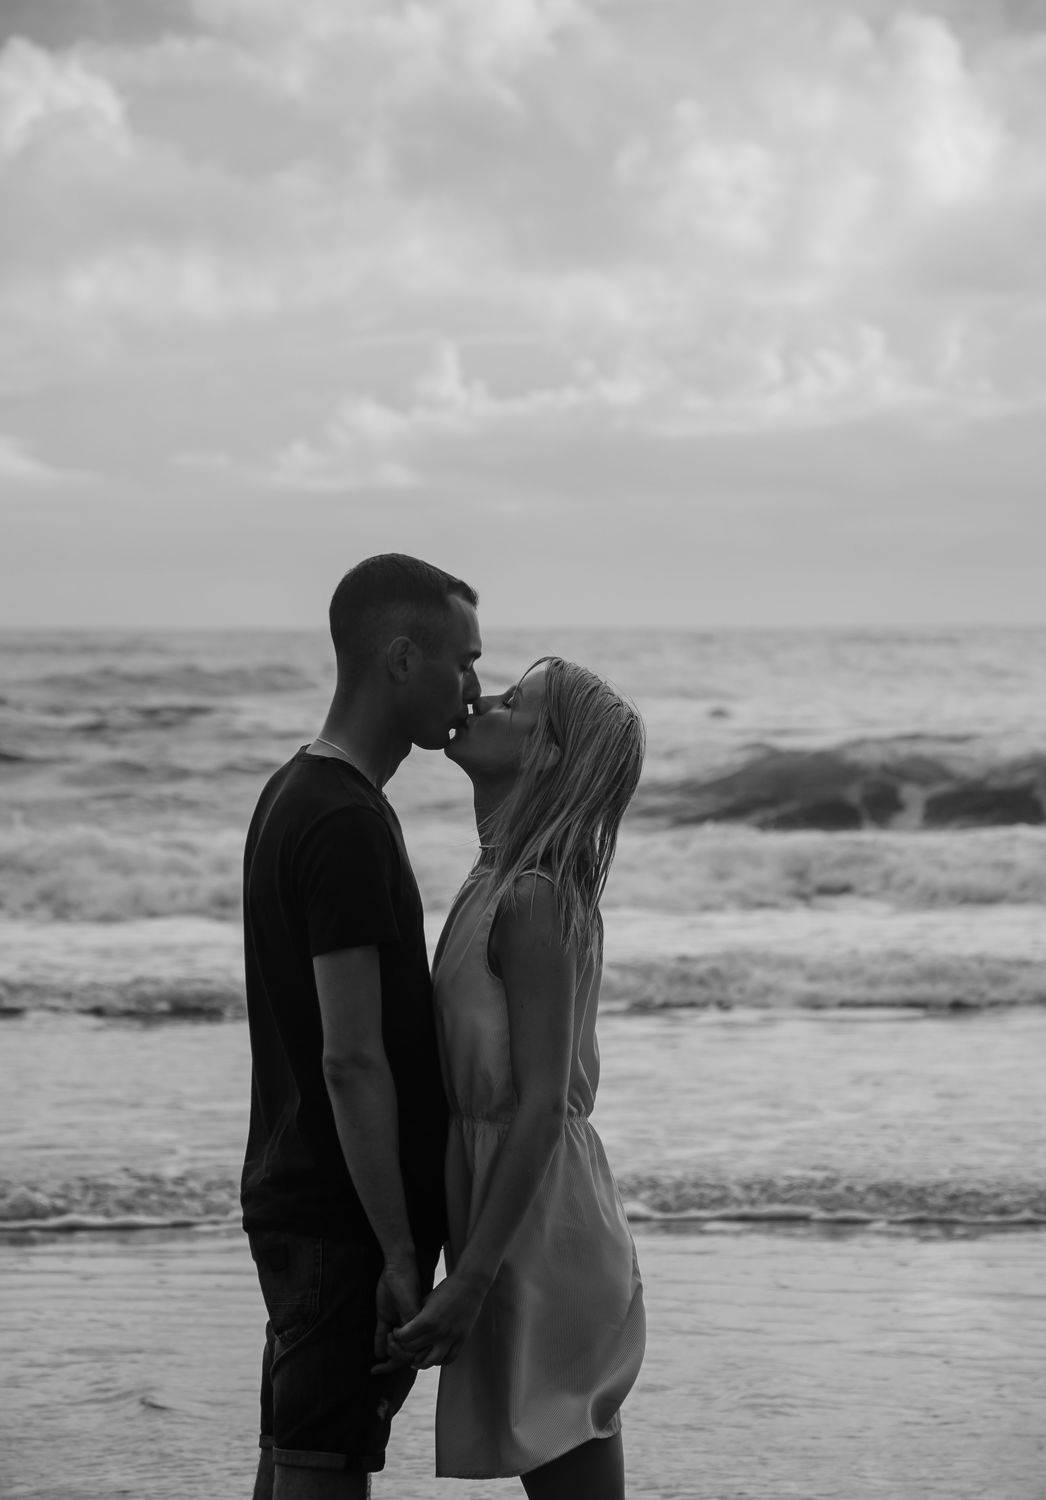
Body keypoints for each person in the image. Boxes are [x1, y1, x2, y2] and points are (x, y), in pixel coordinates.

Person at [240, 553, 482, 1499]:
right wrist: (396, 1249)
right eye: (463, 661)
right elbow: (350, 1058)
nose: (473, 687)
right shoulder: (342, 820)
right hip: (341, 1223)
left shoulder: (294, 791)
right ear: (401, 659)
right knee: (321, 1470)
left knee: (295, 1457)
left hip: (305, 1197)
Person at [386, 656, 647, 1499]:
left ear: (543, 754)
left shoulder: (532, 898)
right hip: (513, 1209)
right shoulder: (493, 881)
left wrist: (469, 1278)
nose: (481, 700)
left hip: (540, 1225)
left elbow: (539, 1107)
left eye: (511, 703)